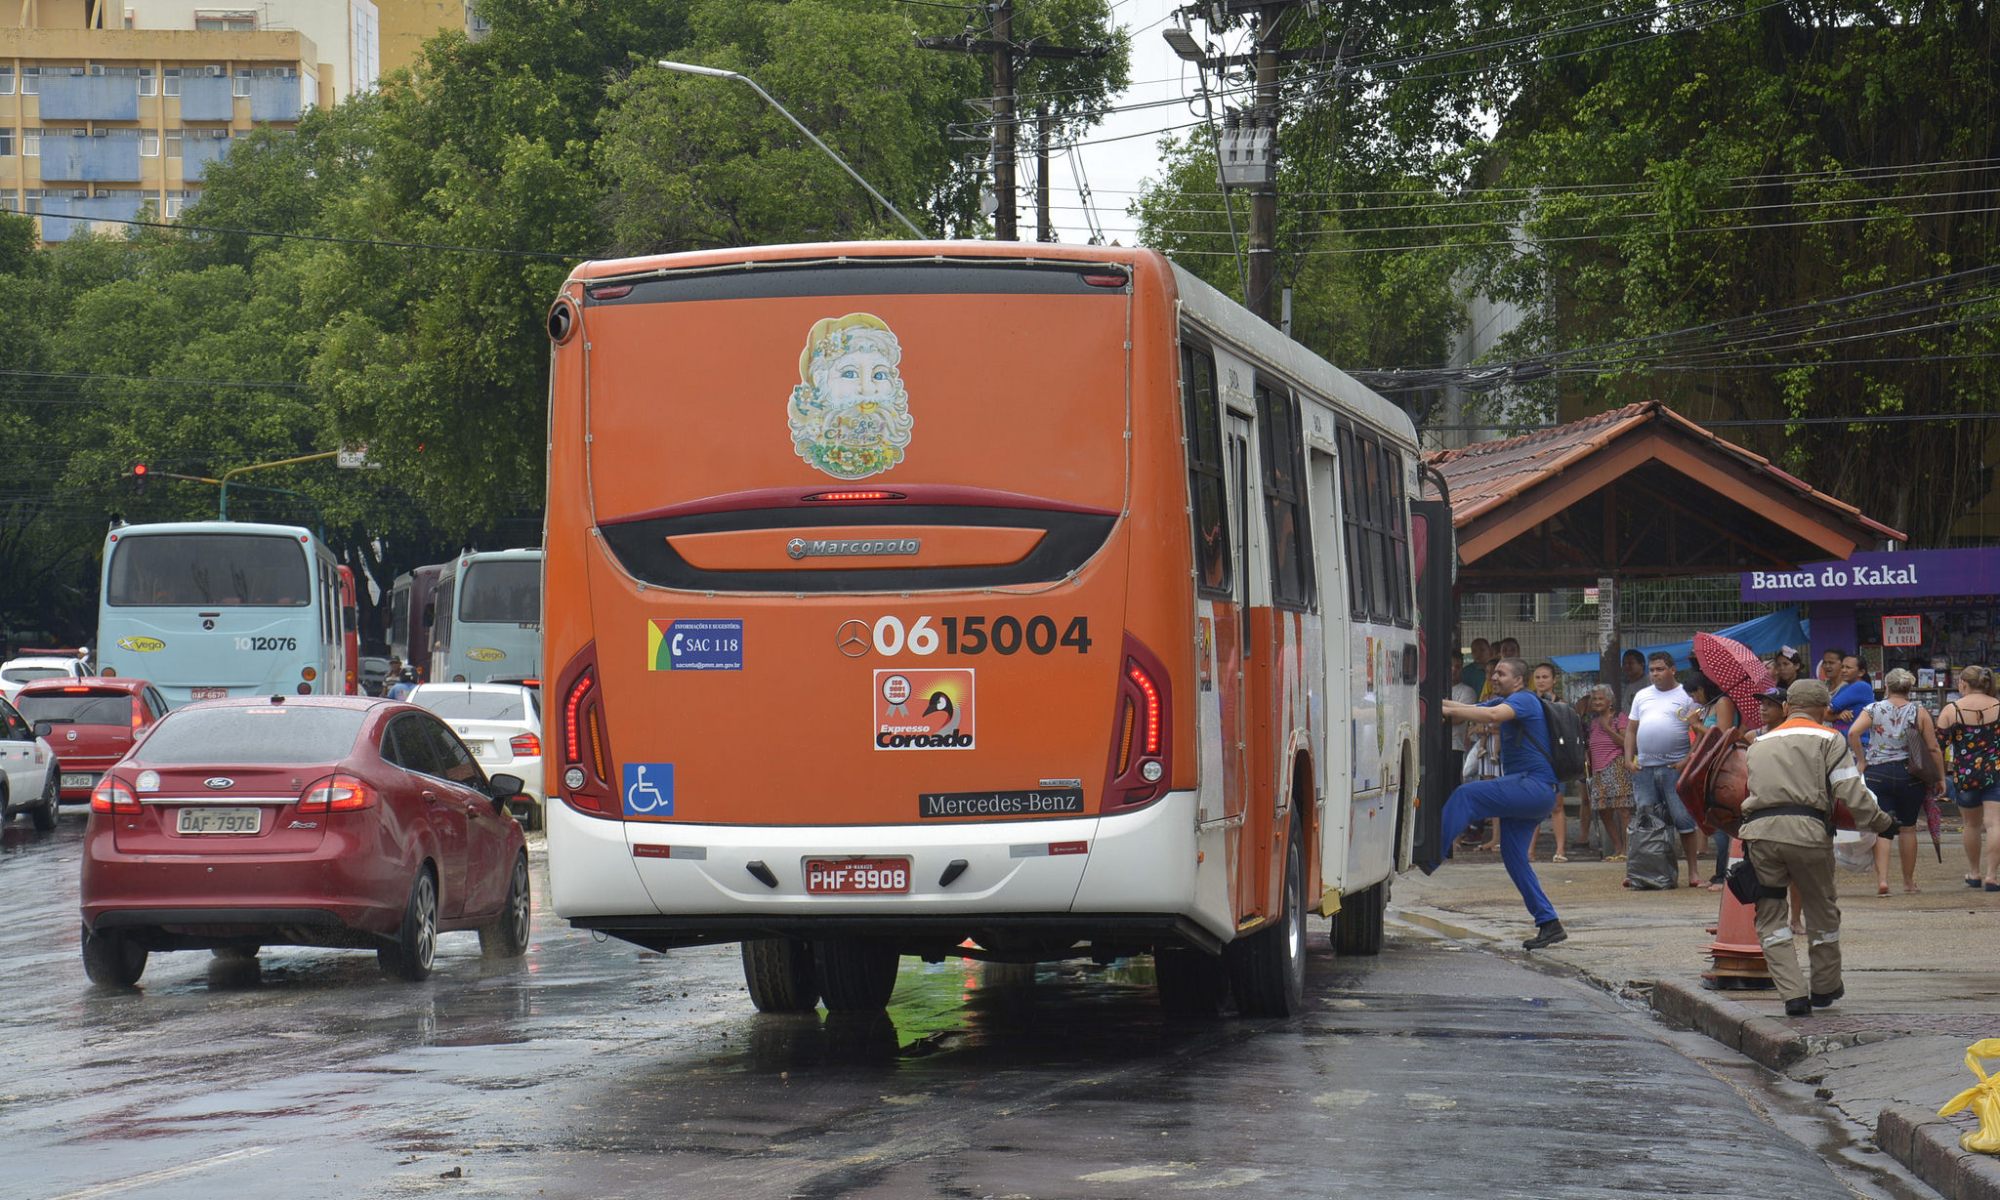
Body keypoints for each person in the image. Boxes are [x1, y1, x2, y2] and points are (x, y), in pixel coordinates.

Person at [1739, 678, 1896, 1017]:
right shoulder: (1830, 738)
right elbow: (1850, 791)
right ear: (1825, 709)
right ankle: (1824, 987)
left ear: (1786, 707)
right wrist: (1882, 823)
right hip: (1808, 834)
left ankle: (1793, 995)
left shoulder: (1758, 743)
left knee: (1770, 915)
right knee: (1821, 909)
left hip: (1760, 836)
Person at [1434, 657, 1567, 949]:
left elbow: (1492, 715)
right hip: (1531, 791)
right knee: (1513, 856)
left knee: (1466, 795)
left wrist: (1446, 709)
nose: (1494, 677)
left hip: (1534, 786)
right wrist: (1435, 703)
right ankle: (1549, 922)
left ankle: (1431, 853)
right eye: (1493, 672)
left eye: (1501, 673)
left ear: (1518, 680)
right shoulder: (1504, 700)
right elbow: (1469, 709)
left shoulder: (1524, 700)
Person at [1847, 668, 1941, 897]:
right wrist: (1939, 777)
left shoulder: (1873, 709)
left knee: (1883, 827)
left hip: (1877, 773)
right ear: (1909, 688)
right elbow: (1933, 747)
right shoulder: (1919, 711)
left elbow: (1853, 733)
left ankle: (1883, 880)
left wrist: (1861, 760)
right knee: (1908, 828)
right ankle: (1908, 882)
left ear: (1886, 687)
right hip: (1910, 774)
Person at [1625, 651, 1704, 887]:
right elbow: (1631, 730)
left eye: (1660, 669)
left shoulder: (1686, 695)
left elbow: (1699, 732)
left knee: (1683, 820)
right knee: (1646, 821)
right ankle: (1641, 870)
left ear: (1672, 670)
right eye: (1652, 670)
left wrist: (1687, 759)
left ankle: (1693, 872)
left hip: (1674, 767)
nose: (1655, 674)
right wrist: (1628, 759)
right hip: (1644, 769)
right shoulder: (1642, 695)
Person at [1936, 665, 2000, 891]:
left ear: (1963, 683)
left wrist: (1940, 776)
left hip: (1965, 774)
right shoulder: (1998, 707)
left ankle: (1974, 873)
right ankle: (1992, 876)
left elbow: (1938, 746)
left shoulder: (1951, 710)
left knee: (1971, 825)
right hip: (1996, 772)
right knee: (1995, 823)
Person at [1684, 670, 1739, 886]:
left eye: (1694, 694)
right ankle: (1719, 872)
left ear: (1702, 689)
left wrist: (1697, 724)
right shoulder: (1708, 707)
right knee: (1714, 819)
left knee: (1722, 820)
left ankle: (1723, 875)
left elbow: (1722, 736)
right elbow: (1701, 739)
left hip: (1722, 765)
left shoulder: (1723, 702)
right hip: (1708, 766)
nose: (1694, 699)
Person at [1584, 684, 1631, 860]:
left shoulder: (1619, 718)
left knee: (1623, 810)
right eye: (1594, 699)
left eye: (1600, 699)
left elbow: (1626, 743)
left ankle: (1626, 850)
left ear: (1610, 701)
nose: (1596, 702)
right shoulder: (1593, 722)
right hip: (1598, 770)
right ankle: (1617, 848)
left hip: (1616, 765)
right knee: (1603, 810)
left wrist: (1608, 728)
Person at [1529, 662, 1571, 862]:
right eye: (1537, 677)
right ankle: (1529, 851)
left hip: (1556, 760)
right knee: (1533, 804)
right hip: (1533, 759)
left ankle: (1560, 850)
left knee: (1557, 804)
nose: (1541, 681)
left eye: (1545, 677)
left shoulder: (1562, 705)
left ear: (1554, 680)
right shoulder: (1528, 701)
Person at [1829, 656, 1875, 737]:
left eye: (1848, 668)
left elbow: (1825, 711)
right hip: (1844, 738)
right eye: (1842, 667)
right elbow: (1824, 713)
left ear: (1861, 672)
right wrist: (1838, 716)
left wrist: (1834, 715)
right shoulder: (1845, 687)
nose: (1843, 670)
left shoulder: (1860, 686)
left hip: (1857, 740)